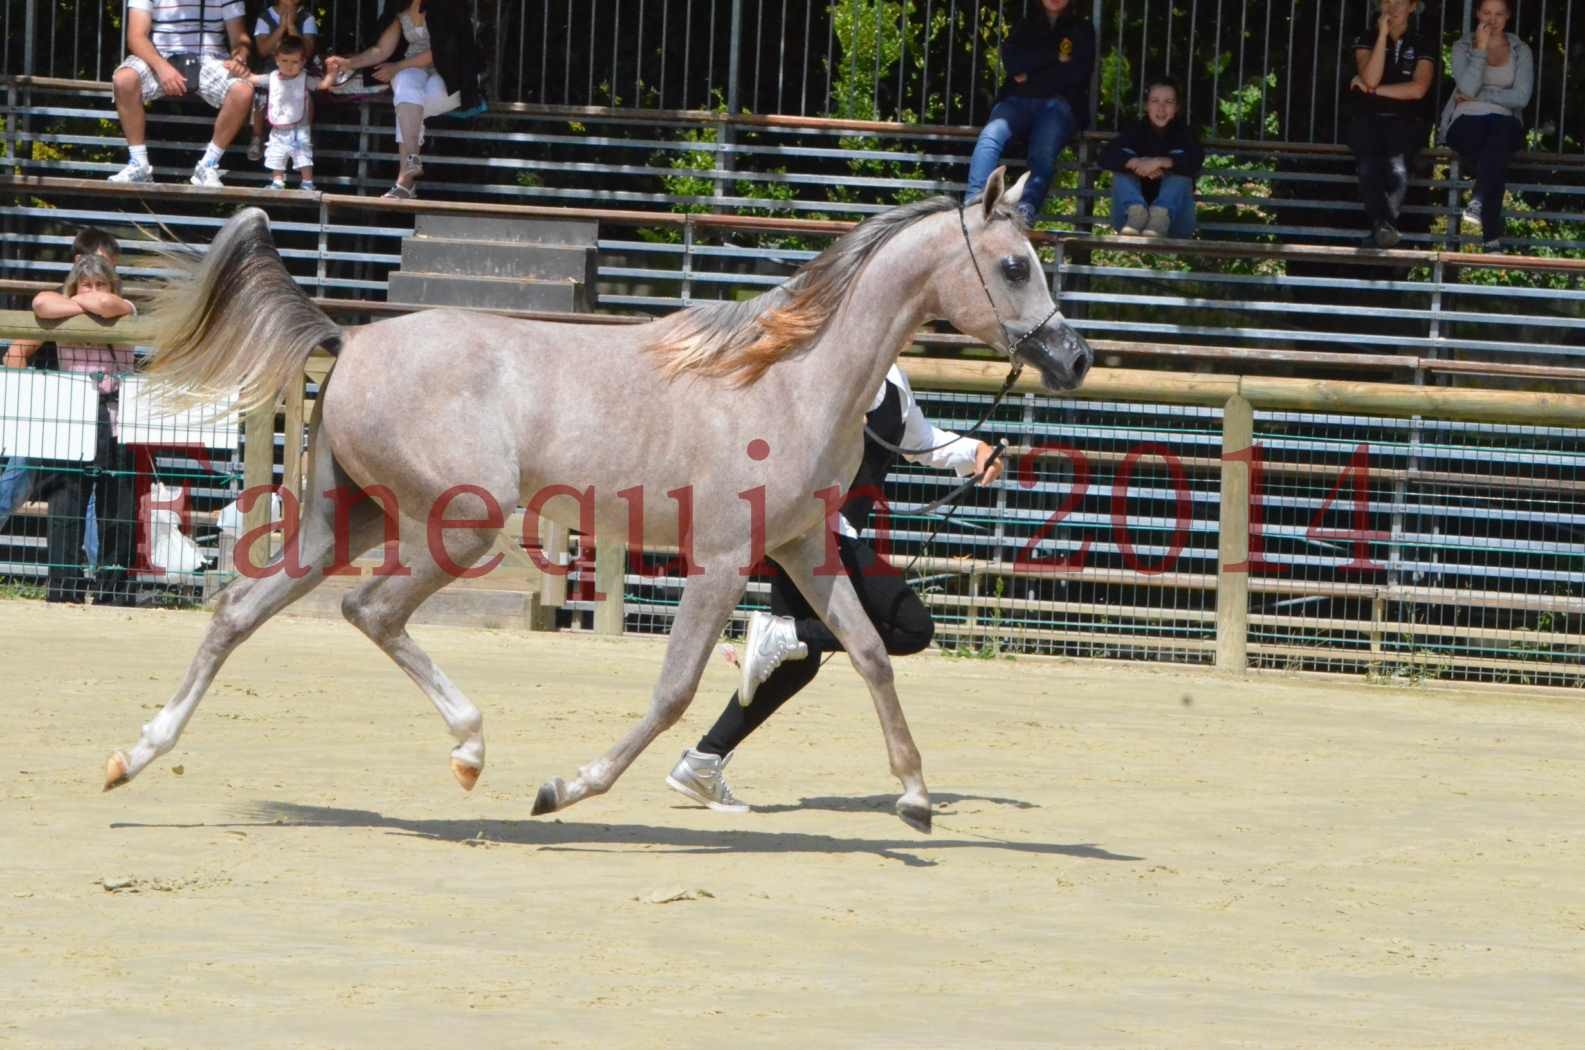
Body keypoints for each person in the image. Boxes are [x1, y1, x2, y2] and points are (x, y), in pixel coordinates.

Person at [665, 365, 1006, 812]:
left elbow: (921, 441)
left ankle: (704, 760)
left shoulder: (893, 379)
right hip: (817, 535)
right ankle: (784, 638)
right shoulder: (834, 364)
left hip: (823, 537)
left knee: (796, 665)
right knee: (911, 627)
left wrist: (977, 450)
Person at [5, 256, 140, 605]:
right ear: (73, 287)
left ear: (113, 286)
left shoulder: (125, 307)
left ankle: (114, 590)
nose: (94, 292)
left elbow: (108, 306)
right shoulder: (58, 305)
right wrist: (80, 305)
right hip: (72, 412)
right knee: (66, 499)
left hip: (116, 415)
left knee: (117, 503)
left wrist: (75, 305)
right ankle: (63, 586)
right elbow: (40, 302)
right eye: (85, 285)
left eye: (100, 284)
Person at [0, 229, 123, 535]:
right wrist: (30, 403)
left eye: (110, 269)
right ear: (79, 262)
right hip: (54, 410)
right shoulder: (59, 302)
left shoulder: (114, 304)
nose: (103, 277)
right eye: (99, 264)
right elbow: (15, 353)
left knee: (95, 497)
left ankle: (92, 571)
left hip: (98, 416)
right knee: (15, 483)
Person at [323, 0, 485, 200]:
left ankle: (406, 182)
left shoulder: (449, 5)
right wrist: (348, 63)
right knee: (405, 88)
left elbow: (441, 51)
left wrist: (397, 67)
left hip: (454, 73)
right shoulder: (399, 7)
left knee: (408, 107)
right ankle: (409, 169)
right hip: (414, 68)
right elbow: (382, 50)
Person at [962, 0, 1096, 227]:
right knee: (990, 136)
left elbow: (1077, 74)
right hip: (1016, 101)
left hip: (1058, 105)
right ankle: (974, 204)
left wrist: (1031, 74)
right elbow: (1013, 63)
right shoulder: (1025, 25)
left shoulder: (1082, 30)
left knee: (1043, 151)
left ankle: (1025, 212)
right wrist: (1054, 57)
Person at [107, 0, 255, 188]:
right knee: (124, 79)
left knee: (243, 90)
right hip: (159, 55)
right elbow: (136, 37)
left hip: (210, 58)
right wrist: (162, 67)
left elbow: (239, 40)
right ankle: (138, 163)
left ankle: (208, 164)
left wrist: (239, 58)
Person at [1440, 0, 1534, 249]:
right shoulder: (1462, 47)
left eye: (1499, 14)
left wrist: (1482, 96)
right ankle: (1490, 231)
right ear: (1478, 14)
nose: (1492, 20)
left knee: (1499, 133)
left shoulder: (1520, 49)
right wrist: (1480, 49)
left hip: (1504, 122)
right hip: (1465, 121)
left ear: (1509, 16)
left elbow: (1522, 98)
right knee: (1496, 150)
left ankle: (1479, 200)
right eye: (1486, 13)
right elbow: (1467, 87)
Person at [1345, 0, 1437, 249]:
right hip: (1368, 119)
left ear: (1412, 6)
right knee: (1367, 167)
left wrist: (1373, 92)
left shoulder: (1423, 43)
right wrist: (1383, 35)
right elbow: (1371, 76)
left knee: (1397, 167)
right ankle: (1384, 227)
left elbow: (1417, 89)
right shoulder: (1366, 37)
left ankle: (1381, 228)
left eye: (1399, 1)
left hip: (1406, 120)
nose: (1392, 7)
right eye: (1386, 1)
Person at [1101, 76, 1203, 238]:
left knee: (1181, 173)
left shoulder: (1186, 134)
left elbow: (1195, 161)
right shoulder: (1134, 131)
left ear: (1177, 107)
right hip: (1129, 223)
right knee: (1122, 169)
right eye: (1155, 101)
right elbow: (1106, 155)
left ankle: (1160, 215)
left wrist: (1159, 162)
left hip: (1175, 222)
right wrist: (1136, 163)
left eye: (1168, 102)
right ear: (1147, 105)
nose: (1161, 108)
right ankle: (1137, 213)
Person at [245, 36, 329, 190]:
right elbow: (253, 79)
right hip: (278, 127)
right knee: (277, 153)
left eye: (294, 62)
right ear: (276, 59)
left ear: (303, 62)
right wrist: (238, 69)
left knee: (303, 155)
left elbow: (323, 85)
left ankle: (307, 182)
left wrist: (332, 73)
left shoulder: (305, 79)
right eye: (284, 61)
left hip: (299, 128)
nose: (289, 66)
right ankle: (277, 181)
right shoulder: (272, 78)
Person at [246, 0, 319, 164]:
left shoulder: (307, 18)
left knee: (306, 96)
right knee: (261, 96)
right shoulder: (265, 18)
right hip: (273, 69)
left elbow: (307, 51)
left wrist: (292, 27)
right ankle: (257, 136)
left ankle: (304, 136)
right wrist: (280, 29)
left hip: (298, 70)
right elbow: (263, 50)